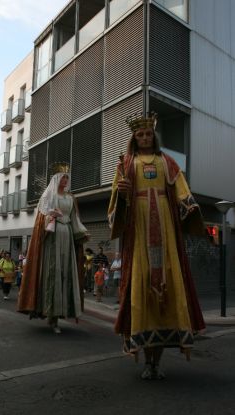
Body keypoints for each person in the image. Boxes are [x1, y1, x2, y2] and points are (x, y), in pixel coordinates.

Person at [108, 112, 206, 380]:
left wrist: (190, 207)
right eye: (139, 134)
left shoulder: (167, 162)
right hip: (139, 229)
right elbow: (116, 202)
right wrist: (124, 194)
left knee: (169, 288)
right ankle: (147, 361)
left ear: (154, 136)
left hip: (165, 229)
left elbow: (182, 191)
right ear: (134, 138)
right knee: (141, 289)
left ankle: (156, 363)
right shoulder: (126, 164)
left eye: (148, 134)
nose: (144, 138)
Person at [17, 162, 89, 334]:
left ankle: (58, 314)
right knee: (52, 274)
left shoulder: (71, 198)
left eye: (67, 177)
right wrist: (51, 216)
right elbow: (41, 220)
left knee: (65, 274)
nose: (65, 179)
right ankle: (50, 314)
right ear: (56, 179)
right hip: (53, 237)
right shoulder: (48, 198)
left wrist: (82, 233)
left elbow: (75, 219)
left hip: (67, 235)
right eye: (63, 177)